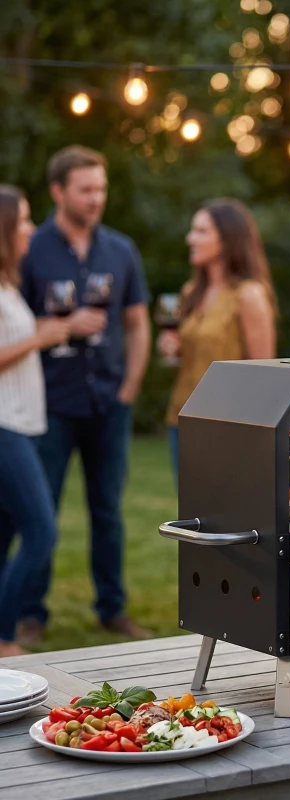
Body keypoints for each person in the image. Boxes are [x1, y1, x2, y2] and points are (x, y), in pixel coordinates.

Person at [17, 145, 152, 643]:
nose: (96, 199)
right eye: (86, 189)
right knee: (40, 509)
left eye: (101, 188)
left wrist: (131, 385)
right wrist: (63, 325)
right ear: (58, 191)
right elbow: (10, 322)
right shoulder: (30, 247)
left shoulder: (120, 250)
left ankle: (112, 608)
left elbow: (137, 323)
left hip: (107, 403)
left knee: (108, 509)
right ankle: (31, 614)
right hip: (49, 402)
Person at [158, 198, 277, 477]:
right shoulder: (191, 292)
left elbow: (264, 374)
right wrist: (173, 349)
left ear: (228, 239)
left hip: (226, 424)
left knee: (223, 514)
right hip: (182, 418)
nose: (190, 239)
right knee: (190, 515)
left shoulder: (249, 295)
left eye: (201, 231)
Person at [0, 186, 70, 657]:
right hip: (4, 425)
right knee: (41, 530)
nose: (31, 228)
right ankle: (4, 637)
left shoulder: (9, 283)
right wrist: (41, 337)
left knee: (5, 534)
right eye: (23, 220)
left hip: (22, 423)